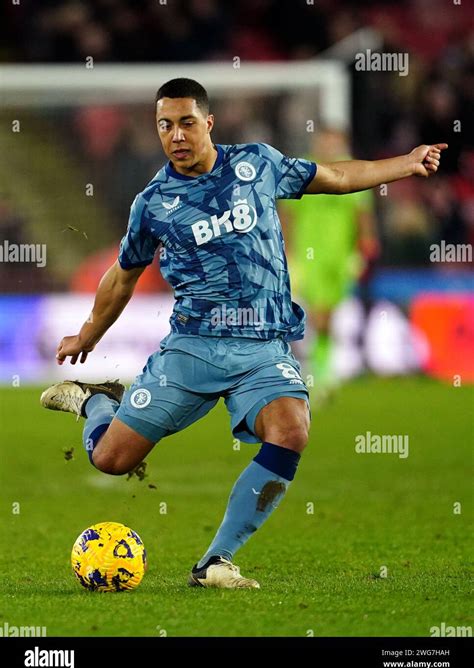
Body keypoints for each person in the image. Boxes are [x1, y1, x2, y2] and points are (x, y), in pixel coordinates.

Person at [41, 78, 447, 589]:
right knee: (111, 459)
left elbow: (339, 176)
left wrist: (405, 164)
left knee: (292, 429)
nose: (177, 135)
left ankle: (215, 562)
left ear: (208, 123)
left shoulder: (257, 164)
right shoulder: (154, 204)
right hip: (191, 349)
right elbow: (122, 277)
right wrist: (86, 335)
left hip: (262, 347)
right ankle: (95, 403)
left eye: (187, 122)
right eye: (165, 125)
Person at [280, 129, 379, 401]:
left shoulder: (352, 171)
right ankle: (319, 375)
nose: (328, 146)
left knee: (329, 315)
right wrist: (289, 251)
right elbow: (288, 213)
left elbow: (362, 213)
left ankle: (320, 370)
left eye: (333, 141)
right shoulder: (303, 171)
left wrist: (364, 246)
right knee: (320, 314)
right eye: (324, 140)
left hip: (341, 257)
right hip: (311, 257)